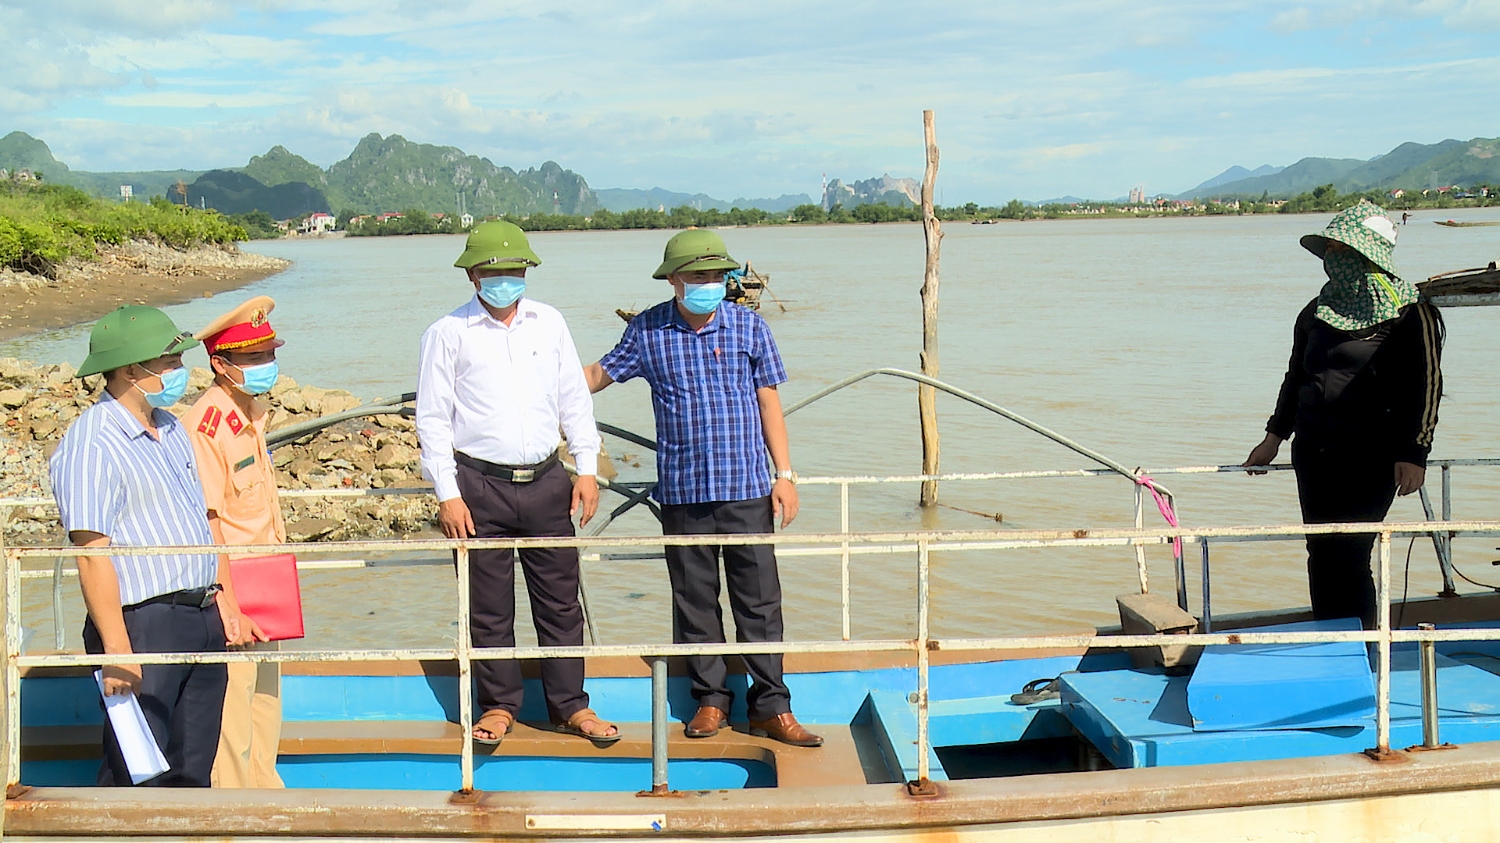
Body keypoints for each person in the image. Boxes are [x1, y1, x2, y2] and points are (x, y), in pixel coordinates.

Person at [585, 229, 822, 748]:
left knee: (759, 602)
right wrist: (527, 383)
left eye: (717, 276)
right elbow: (599, 375)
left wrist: (785, 476)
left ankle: (772, 706)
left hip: (747, 486)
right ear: (673, 280)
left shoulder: (749, 326)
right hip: (684, 490)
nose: (709, 284)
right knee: (695, 603)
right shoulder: (648, 330)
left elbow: (768, 403)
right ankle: (711, 700)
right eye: (698, 276)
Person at [416, 220, 616, 745]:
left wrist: (587, 468)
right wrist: (447, 492)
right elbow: (433, 419)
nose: (505, 278)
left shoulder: (549, 323)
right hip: (479, 485)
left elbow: (574, 398)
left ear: (526, 271)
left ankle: (571, 705)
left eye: (515, 269)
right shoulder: (447, 333)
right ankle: (499, 705)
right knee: (488, 604)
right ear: (473, 276)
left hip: (549, 478)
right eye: (494, 271)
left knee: (560, 600)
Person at [49, 305, 251, 786]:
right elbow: (91, 550)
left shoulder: (173, 428)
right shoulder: (92, 444)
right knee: (137, 772)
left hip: (200, 614)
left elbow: (203, 520)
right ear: (129, 371)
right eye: (168, 364)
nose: (179, 372)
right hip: (143, 622)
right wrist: (118, 648)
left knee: (193, 771)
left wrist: (225, 598)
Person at [1243, 201, 1443, 628]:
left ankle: (1364, 648)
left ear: (1366, 254)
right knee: (1321, 552)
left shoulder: (1411, 312)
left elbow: (1426, 389)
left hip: (1373, 455)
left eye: (1342, 248)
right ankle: (1331, 646)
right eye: (1330, 249)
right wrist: (1273, 437)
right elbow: (1296, 376)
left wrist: (1415, 453)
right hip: (1315, 451)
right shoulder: (1316, 312)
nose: (1334, 257)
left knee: (1352, 553)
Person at [186, 296, 287, 788]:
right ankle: (234, 808)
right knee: (232, 712)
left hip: (268, 576)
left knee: (265, 703)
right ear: (220, 365)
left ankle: (266, 794)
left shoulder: (251, 413)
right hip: (234, 582)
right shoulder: (208, 424)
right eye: (252, 359)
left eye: (268, 354)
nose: (265, 365)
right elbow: (208, 517)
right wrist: (225, 598)